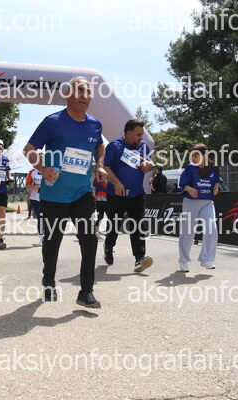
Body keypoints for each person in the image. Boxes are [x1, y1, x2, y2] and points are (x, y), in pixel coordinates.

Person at [23, 76, 107, 308]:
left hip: (82, 193)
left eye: (87, 92)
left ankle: (86, 291)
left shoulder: (95, 124)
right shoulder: (52, 122)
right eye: (79, 91)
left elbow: (99, 145)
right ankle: (48, 279)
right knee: (52, 242)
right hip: (54, 194)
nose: (84, 96)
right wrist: (43, 168)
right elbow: (29, 149)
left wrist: (100, 165)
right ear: (68, 94)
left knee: (89, 239)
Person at [103, 119, 154, 273]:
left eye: (142, 134)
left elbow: (148, 165)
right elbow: (106, 168)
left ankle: (139, 258)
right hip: (116, 195)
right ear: (128, 133)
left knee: (138, 226)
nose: (141, 137)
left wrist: (149, 166)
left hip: (137, 195)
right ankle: (108, 246)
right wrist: (117, 183)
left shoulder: (143, 147)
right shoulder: (114, 146)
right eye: (138, 134)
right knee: (114, 226)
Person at [178, 143, 220, 272]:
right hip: (191, 202)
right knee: (188, 231)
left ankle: (207, 259)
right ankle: (183, 260)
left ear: (204, 156)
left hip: (207, 202)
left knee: (212, 228)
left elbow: (216, 182)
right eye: (192, 156)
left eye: (196, 156)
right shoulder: (190, 168)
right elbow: (182, 185)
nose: (193, 159)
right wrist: (189, 188)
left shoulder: (214, 168)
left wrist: (216, 187)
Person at [26, 167, 44, 245]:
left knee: (47, 218)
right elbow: (27, 185)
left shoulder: (50, 170)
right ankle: (42, 238)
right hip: (35, 199)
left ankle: (46, 237)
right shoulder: (32, 172)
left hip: (48, 198)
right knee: (40, 218)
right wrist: (34, 187)